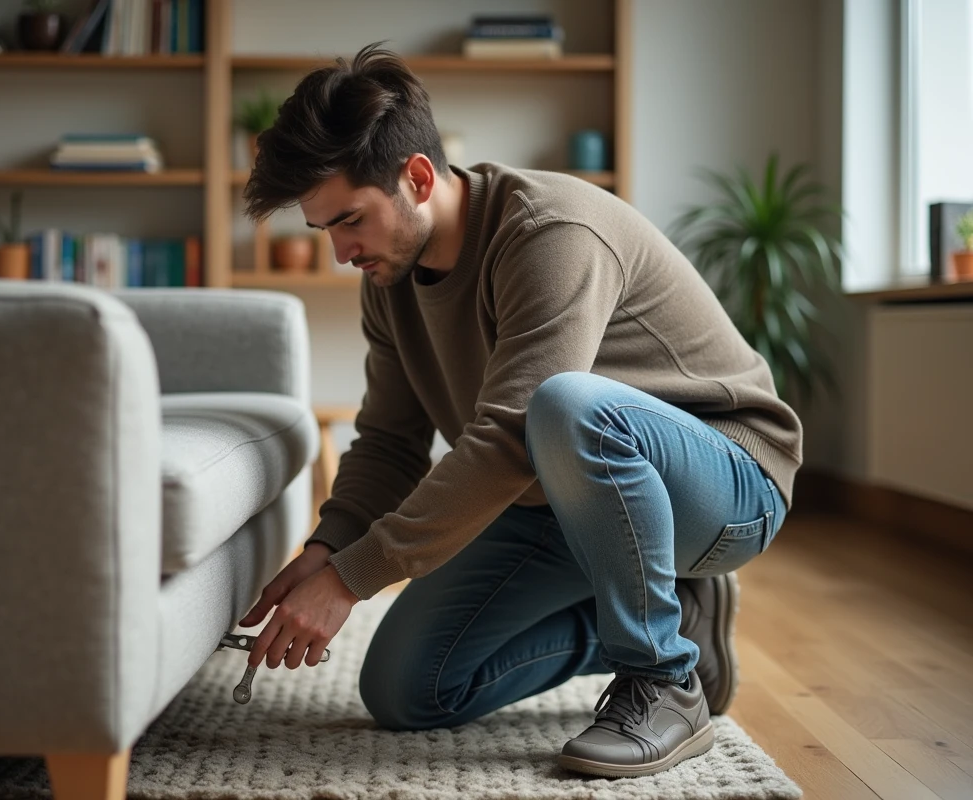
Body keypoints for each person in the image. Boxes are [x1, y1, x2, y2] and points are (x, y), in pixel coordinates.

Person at [235, 43, 801, 778]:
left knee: (563, 405)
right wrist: (325, 549)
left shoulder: (550, 232)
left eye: (351, 221)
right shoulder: (389, 281)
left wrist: (351, 579)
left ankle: (663, 678)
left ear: (416, 177)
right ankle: (681, 616)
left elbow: (508, 434)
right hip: (562, 498)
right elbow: (388, 441)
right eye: (325, 232)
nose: (342, 252)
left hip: (726, 479)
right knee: (406, 689)